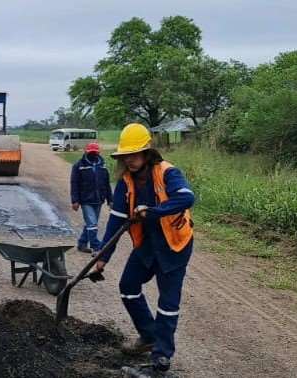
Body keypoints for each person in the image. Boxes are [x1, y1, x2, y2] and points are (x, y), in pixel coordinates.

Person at [91, 123, 195, 374]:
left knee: (168, 301)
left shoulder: (167, 172)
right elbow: (115, 222)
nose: (130, 160)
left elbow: (186, 197)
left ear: (147, 152)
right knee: (128, 286)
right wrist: (102, 258)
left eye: (135, 154)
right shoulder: (125, 184)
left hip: (174, 245)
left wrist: (154, 212)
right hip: (147, 245)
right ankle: (148, 335)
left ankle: (161, 355)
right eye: (126, 155)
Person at [69, 142, 112, 254]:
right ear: (86, 152)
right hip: (85, 200)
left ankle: (82, 244)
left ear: (98, 152)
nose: (93, 154)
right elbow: (74, 183)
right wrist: (75, 200)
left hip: (99, 199)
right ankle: (96, 246)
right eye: (91, 152)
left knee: (90, 223)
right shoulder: (79, 166)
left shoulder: (103, 165)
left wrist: (110, 200)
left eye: (95, 152)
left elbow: (107, 183)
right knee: (92, 223)